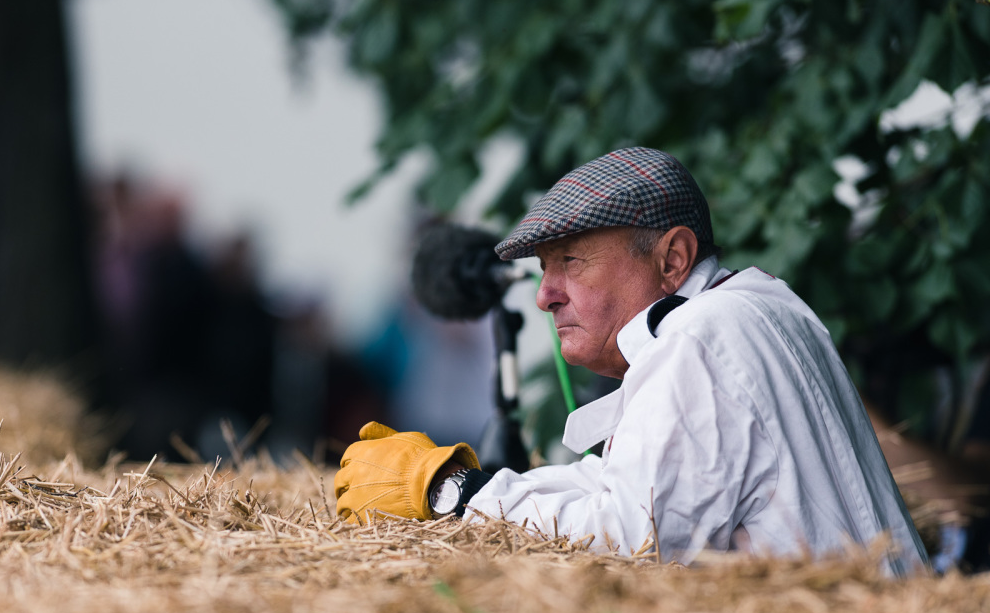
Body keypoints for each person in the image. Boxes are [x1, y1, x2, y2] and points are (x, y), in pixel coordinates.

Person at [334, 147, 929, 577]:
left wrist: (450, 493)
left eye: (571, 261)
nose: (545, 295)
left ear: (673, 259)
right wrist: (468, 485)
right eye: (545, 269)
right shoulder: (758, 309)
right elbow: (622, 490)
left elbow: (632, 537)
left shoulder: (702, 334)